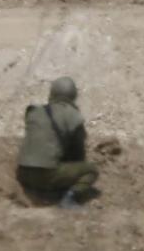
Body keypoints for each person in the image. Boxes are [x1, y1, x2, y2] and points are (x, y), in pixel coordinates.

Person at [15, 75, 99, 206]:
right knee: (91, 170)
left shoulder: (34, 112)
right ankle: (69, 199)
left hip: (22, 173)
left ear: (52, 93)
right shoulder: (74, 116)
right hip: (46, 175)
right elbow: (78, 153)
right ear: (73, 96)